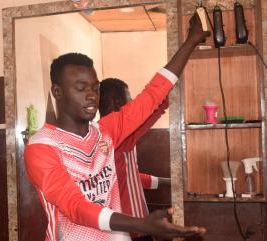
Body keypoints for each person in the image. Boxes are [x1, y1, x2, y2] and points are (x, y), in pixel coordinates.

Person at [24, 14, 210, 241]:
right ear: (57, 91)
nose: (92, 95)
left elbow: (152, 95)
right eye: (81, 88)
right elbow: (75, 207)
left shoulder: (106, 132)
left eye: (95, 87)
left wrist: (191, 41)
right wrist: (142, 224)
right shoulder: (41, 147)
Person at [99, 78, 171, 241]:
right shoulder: (110, 136)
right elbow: (146, 116)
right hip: (131, 228)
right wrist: (164, 97)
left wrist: (167, 182)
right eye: (129, 100)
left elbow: (132, 178)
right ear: (119, 103)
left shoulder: (116, 137)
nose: (132, 104)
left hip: (134, 224)